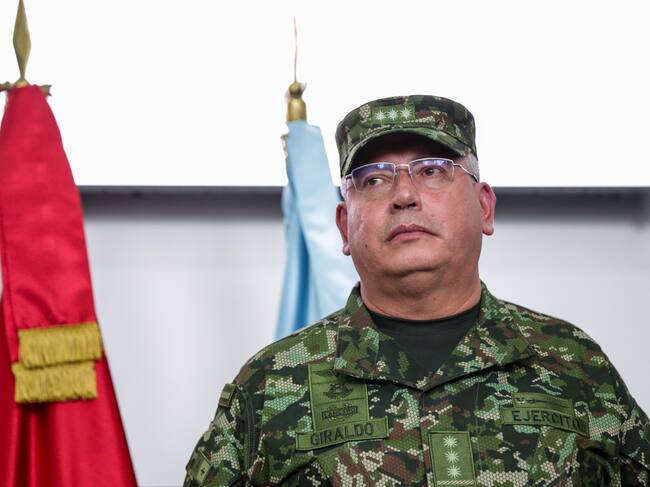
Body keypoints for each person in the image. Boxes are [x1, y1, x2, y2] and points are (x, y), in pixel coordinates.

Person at [184, 95, 650, 486]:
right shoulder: (269, 387)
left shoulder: (576, 367)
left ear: (484, 207)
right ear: (344, 226)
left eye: (432, 171)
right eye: (374, 179)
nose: (404, 195)